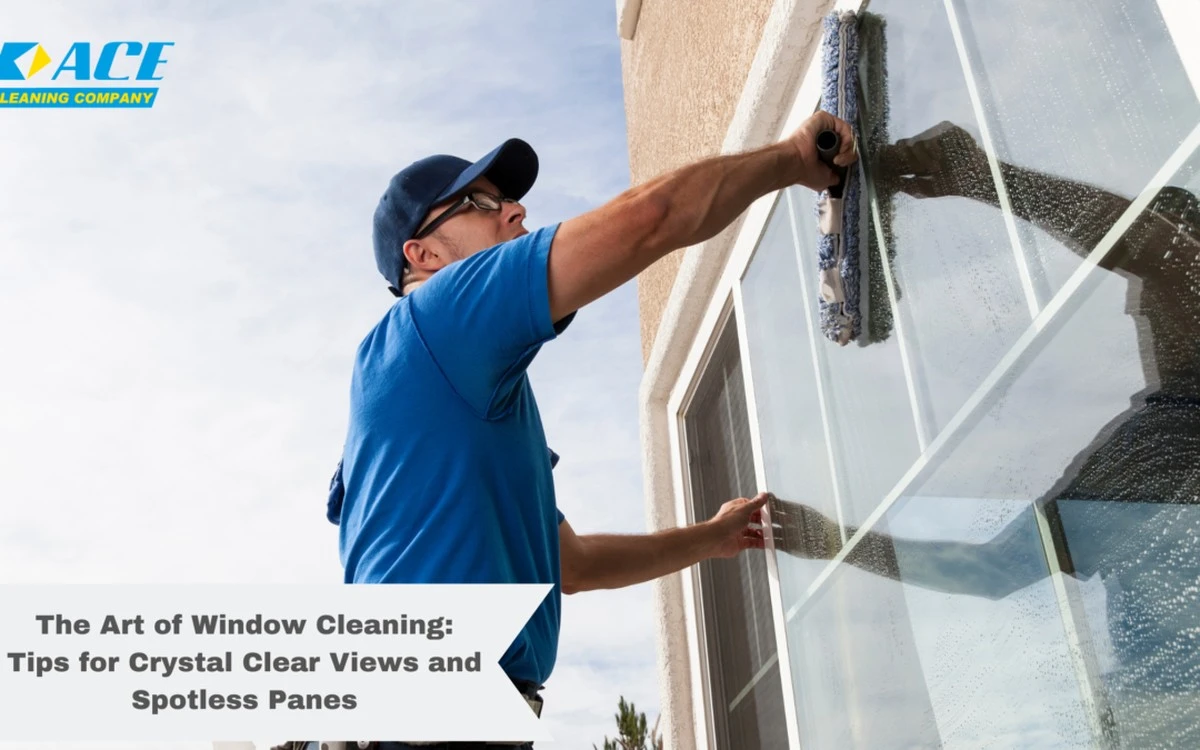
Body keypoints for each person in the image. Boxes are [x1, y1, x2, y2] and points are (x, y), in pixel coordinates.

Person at [312, 110, 858, 749]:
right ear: (424, 255)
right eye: (482, 202)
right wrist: (794, 160)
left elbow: (572, 563)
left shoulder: (462, 402)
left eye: (510, 198)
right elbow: (649, 219)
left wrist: (710, 538)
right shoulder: (436, 321)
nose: (514, 212)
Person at [774, 121, 1200, 748]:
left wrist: (988, 178)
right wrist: (836, 543)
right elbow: (994, 571)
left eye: (1151, 292)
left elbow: (1164, 254)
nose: (1133, 309)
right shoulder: (1144, 451)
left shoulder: (1157, 445)